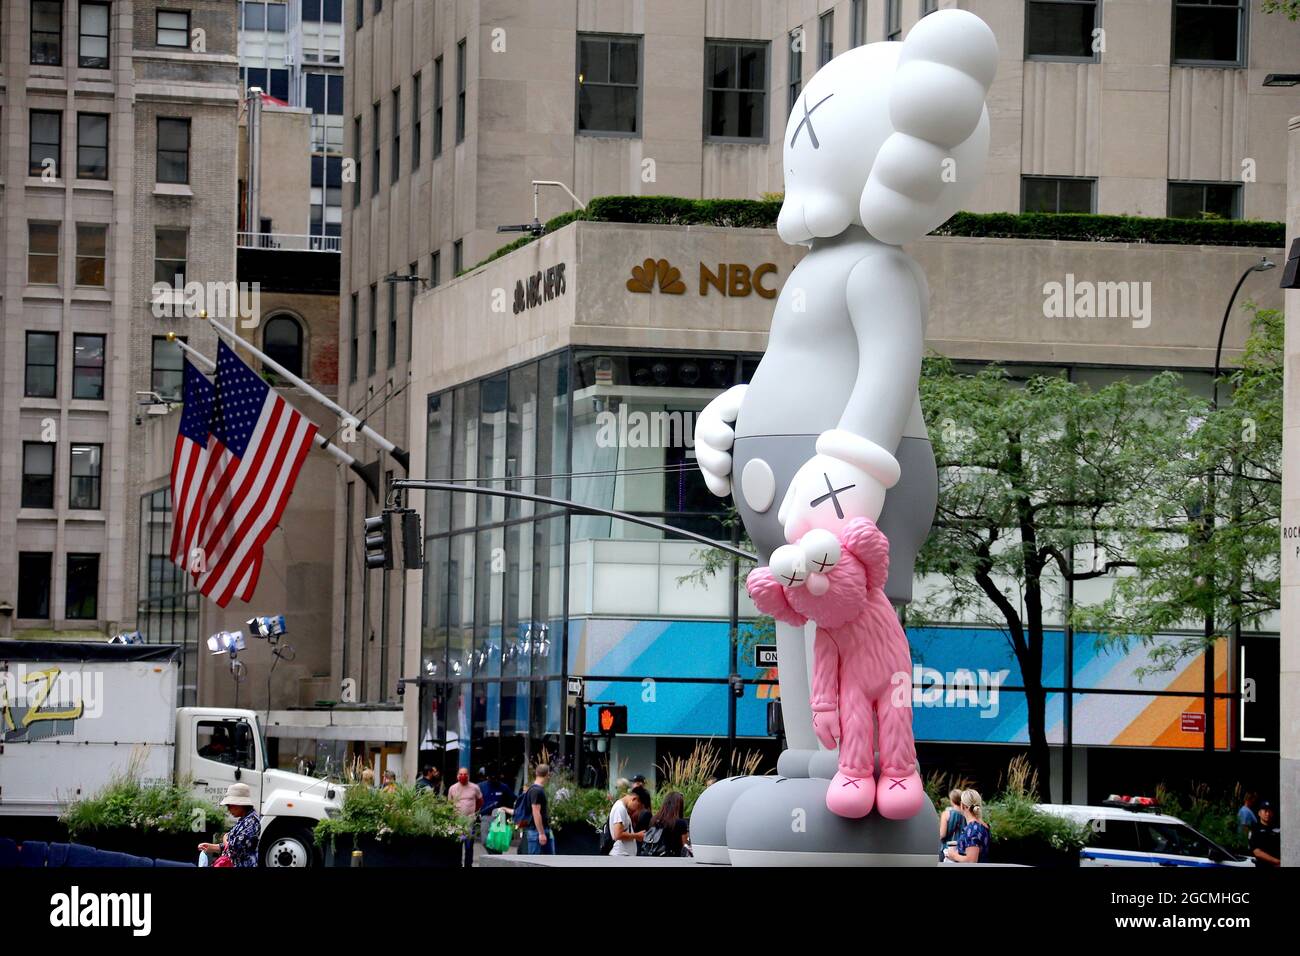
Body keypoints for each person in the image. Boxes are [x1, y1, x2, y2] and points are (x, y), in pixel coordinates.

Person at [199, 782, 262, 868]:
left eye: (229, 805)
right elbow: (230, 845)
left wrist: (225, 838)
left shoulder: (252, 822)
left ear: (240, 804)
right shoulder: (244, 820)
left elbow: (233, 848)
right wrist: (211, 847)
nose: (228, 809)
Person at [448, 767, 484, 867]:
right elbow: (449, 805)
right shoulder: (452, 788)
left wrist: (474, 812)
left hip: (469, 821)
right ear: (457, 776)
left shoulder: (474, 787)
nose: (463, 776)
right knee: (458, 846)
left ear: (468, 776)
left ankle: (468, 865)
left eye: (465, 774)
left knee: (468, 846)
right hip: (457, 822)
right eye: (461, 774)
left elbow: (480, 801)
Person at [943, 789, 990, 864]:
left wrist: (953, 855)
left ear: (962, 805)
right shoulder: (983, 825)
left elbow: (971, 860)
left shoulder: (972, 828)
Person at [642, 791, 690, 857]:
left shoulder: (654, 820)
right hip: (674, 858)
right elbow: (685, 845)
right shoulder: (680, 823)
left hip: (654, 855)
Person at [523, 764, 555, 854]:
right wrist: (541, 833)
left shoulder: (534, 789)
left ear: (536, 773)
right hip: (537, 832)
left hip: (542, 830)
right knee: (535, 862)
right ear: (547, 775)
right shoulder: (536, 791)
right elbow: (536, 812)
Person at [608, 788, 644, 857]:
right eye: (638, 806)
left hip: (624, 855)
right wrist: (637, 836)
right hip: (621, 856)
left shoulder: (622, 808)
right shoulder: (620, 808)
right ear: (634, 799)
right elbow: (618, 834)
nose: (636, 809)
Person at [1249, 801, 1280, 867]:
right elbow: (1257, 852)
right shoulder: (1255, 829)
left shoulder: (1278, 827)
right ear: (1259, 813)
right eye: (1265, 811)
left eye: (1269, 811)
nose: (1268, 814)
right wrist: (1277, 861)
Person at [938, 789, 965, 859]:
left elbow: (942, 835)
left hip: (947, 850)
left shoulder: (946, 814)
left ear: (952, 800)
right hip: (962, 851)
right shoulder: (966, 815)